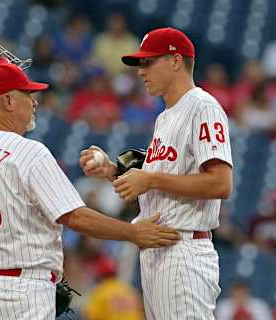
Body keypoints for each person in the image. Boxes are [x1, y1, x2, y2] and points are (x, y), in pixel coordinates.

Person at [0, 62, 181, 319]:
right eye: (27, 94)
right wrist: (132, 232)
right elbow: (74, 217)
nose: (34, 101)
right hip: (23, 291)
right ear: (7, 101)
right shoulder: (29, 152)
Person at [79, 27, 233, 319]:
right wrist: (112, 170)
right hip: (158, 250)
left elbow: (221, 182)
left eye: (148, 62)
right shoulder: (165, 117)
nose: (140, 71)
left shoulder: (202, 106)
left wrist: (149, 178)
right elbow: (159, 183)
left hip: (184, 248)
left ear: (175, 61)